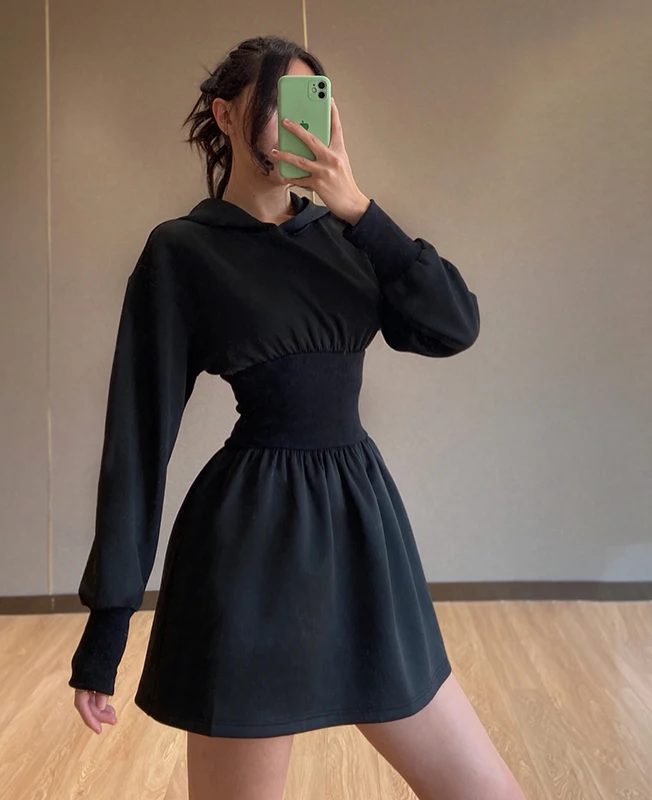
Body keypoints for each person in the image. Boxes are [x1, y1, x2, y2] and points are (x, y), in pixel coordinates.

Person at [69, 34, 526, 800]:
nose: (294, 121)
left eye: (308, 102)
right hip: (250, 549)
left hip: (363, 535)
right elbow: (137, 442)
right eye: (274, 101)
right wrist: (108, 623)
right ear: (225, 114)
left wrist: (361, 210)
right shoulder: (183, 252)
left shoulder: (350, 239)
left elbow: (454, 324)